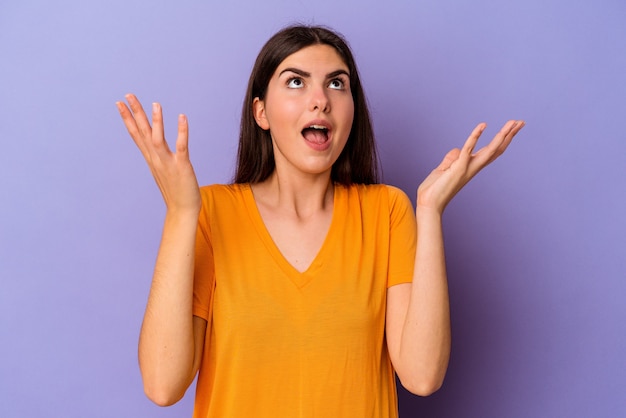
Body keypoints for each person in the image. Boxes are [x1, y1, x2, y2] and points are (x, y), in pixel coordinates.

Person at [116, 24, 524, 418]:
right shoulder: (211, 213)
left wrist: (431, 211)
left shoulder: (386, 212)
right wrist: (181, 213)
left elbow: (422, 376)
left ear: (351, 109)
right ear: (261, 112)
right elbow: (162, 385)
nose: (320, 100)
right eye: (296, 82)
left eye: (336, 83)